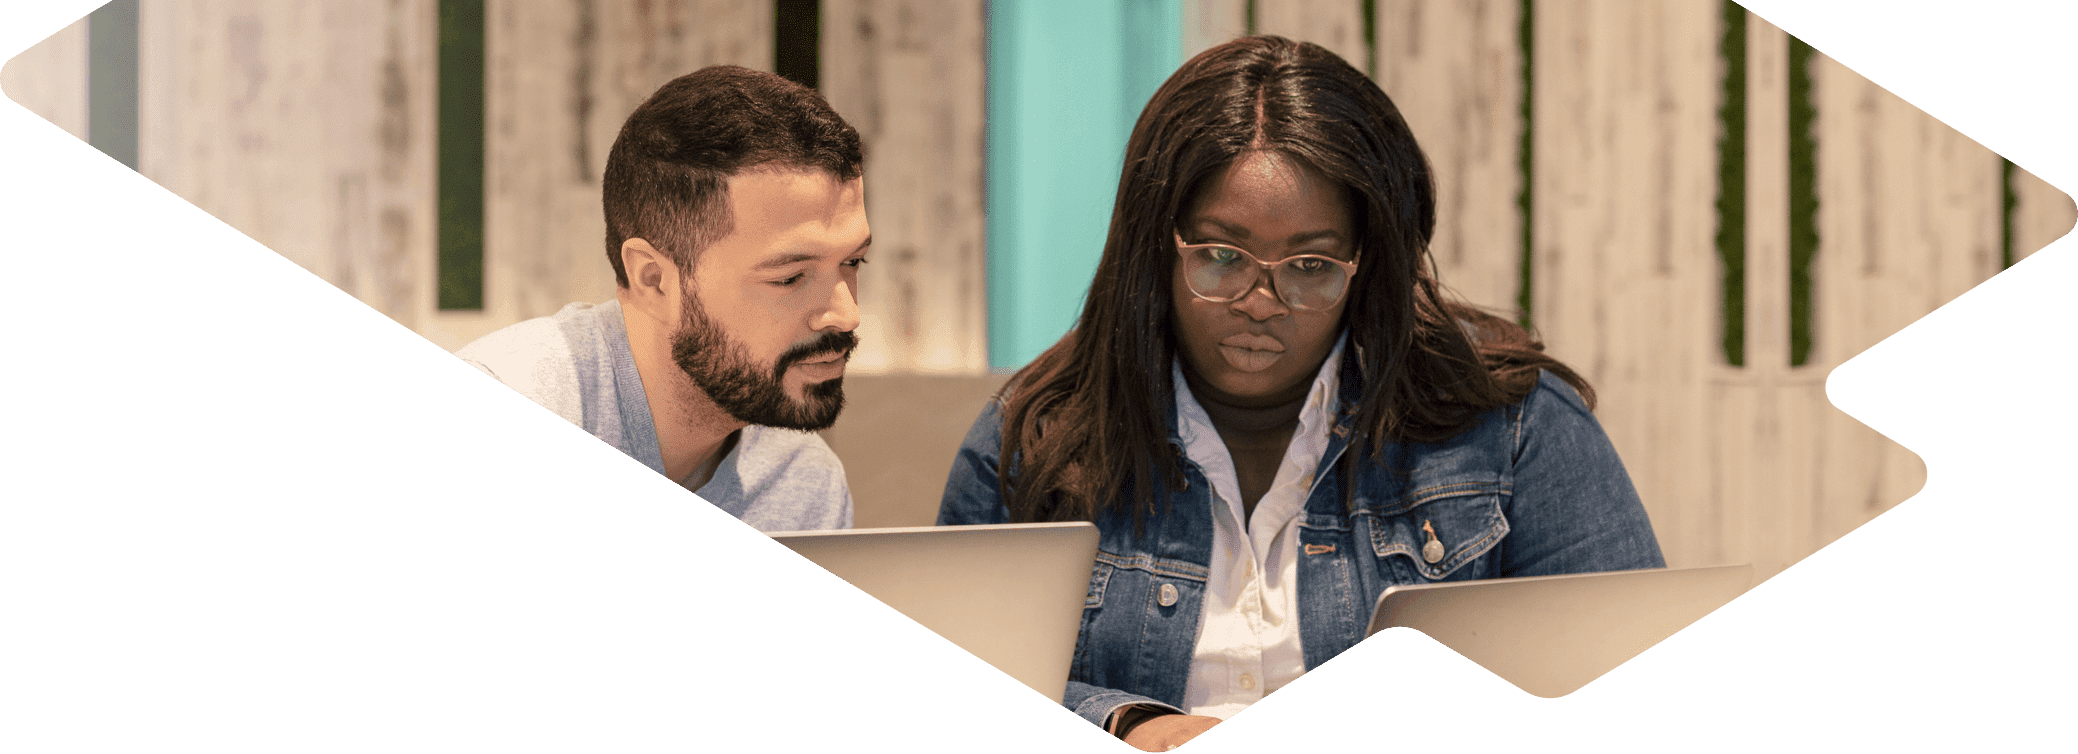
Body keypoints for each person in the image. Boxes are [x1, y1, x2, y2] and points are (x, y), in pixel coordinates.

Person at [937, 36, 1663, 750]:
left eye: (1311, 265)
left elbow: (1635, 694)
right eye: (1222, 256)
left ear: (1366, 264)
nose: (1261, 302)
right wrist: (1124, 722)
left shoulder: (1511, 427)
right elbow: (952, 696)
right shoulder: (1032, 440)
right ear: (1155, 245)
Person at [459, 66, 867, 532]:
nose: (847, 315)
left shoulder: (803, 483)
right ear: (654, 280)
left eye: (853, 262)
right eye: (791, 277)